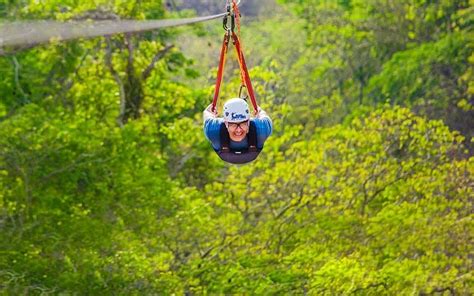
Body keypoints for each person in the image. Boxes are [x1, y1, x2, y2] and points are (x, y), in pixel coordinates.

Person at [203, 98, 272, 164]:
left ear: (248, 122)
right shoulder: (213, 130)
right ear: (226, 123)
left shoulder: (262, 128)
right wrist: (210, 111)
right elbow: (207, 113)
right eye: (233, 124)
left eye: (243, 123)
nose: (238, 130)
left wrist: (259, 111)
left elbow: (262, 113)